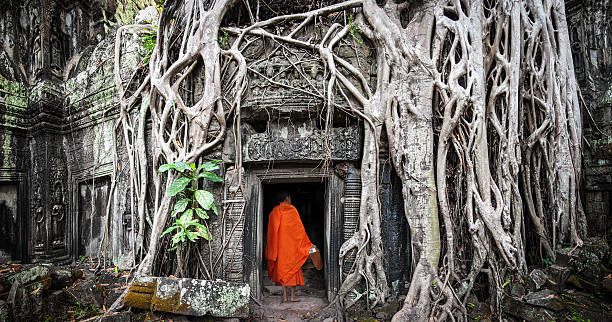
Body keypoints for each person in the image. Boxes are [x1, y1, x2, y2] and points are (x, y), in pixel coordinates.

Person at [265, 191, 316, 303]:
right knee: (294, 270)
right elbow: (299, 231)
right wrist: (306, 244)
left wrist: (273, 249)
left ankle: (284, 297)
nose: (290, 199)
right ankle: (292, 297)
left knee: (283, 271)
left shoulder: (274, 212)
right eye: (290, 197)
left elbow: (271, 233)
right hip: (292, 247)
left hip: (280, 248)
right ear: (287, 198)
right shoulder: (291, 210)